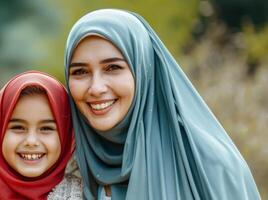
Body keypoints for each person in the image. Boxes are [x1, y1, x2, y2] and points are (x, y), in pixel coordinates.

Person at [64, 9, 260, 200]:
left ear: (143, 70)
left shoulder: (211, 167)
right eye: (80, 72)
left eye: (113, 67)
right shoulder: (65, 174)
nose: (96, 88)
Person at [0, 71, 82, 200]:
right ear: (0, 132)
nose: (31, 141)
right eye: (18, 127)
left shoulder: (85, 193)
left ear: (66, 134)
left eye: (46, 128)